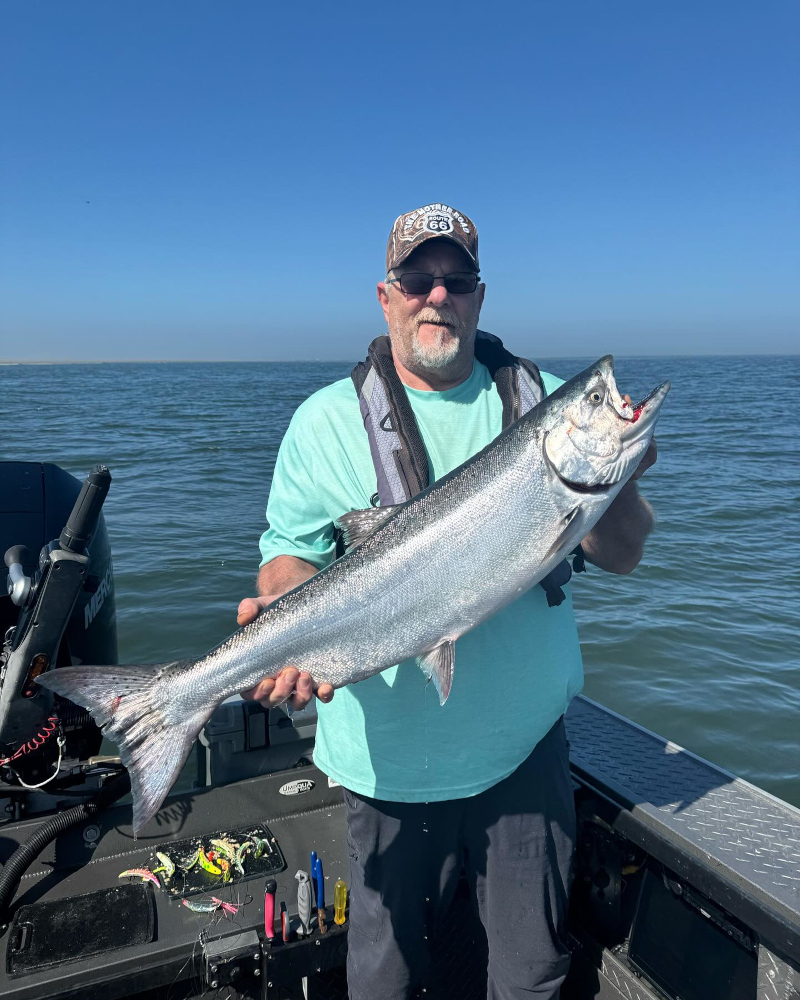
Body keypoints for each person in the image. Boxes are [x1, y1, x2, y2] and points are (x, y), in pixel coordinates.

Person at [237, 203, 657, 999]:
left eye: (456, 279)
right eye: (417, 279)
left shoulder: (548, 401)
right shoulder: (322, 421)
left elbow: (624, 552)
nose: (438, 296)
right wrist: (286, 624)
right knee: (384, 981)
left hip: (524, 755)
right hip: (384, 769)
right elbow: (286, 560)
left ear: (479, 294)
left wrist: (621, 472)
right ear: (385, 295)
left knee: (531, 977)